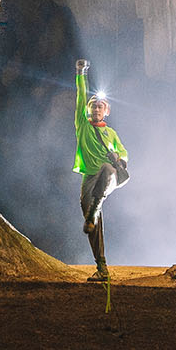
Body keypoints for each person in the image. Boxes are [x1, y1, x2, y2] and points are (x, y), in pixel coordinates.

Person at [73, 58, 129, 281]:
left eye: (100, 106)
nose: (96, 108)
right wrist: (80, 73)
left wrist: (121, 159)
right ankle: (101, 267)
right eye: (94, 105)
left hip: (110, 176)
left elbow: (123, 152)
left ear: (106, 111)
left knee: (107, 168)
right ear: (89, 111)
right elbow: (80, 97)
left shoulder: (111, 133)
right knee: (91, 221)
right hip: (89, 178)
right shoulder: (83, 126)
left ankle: (97, 204)